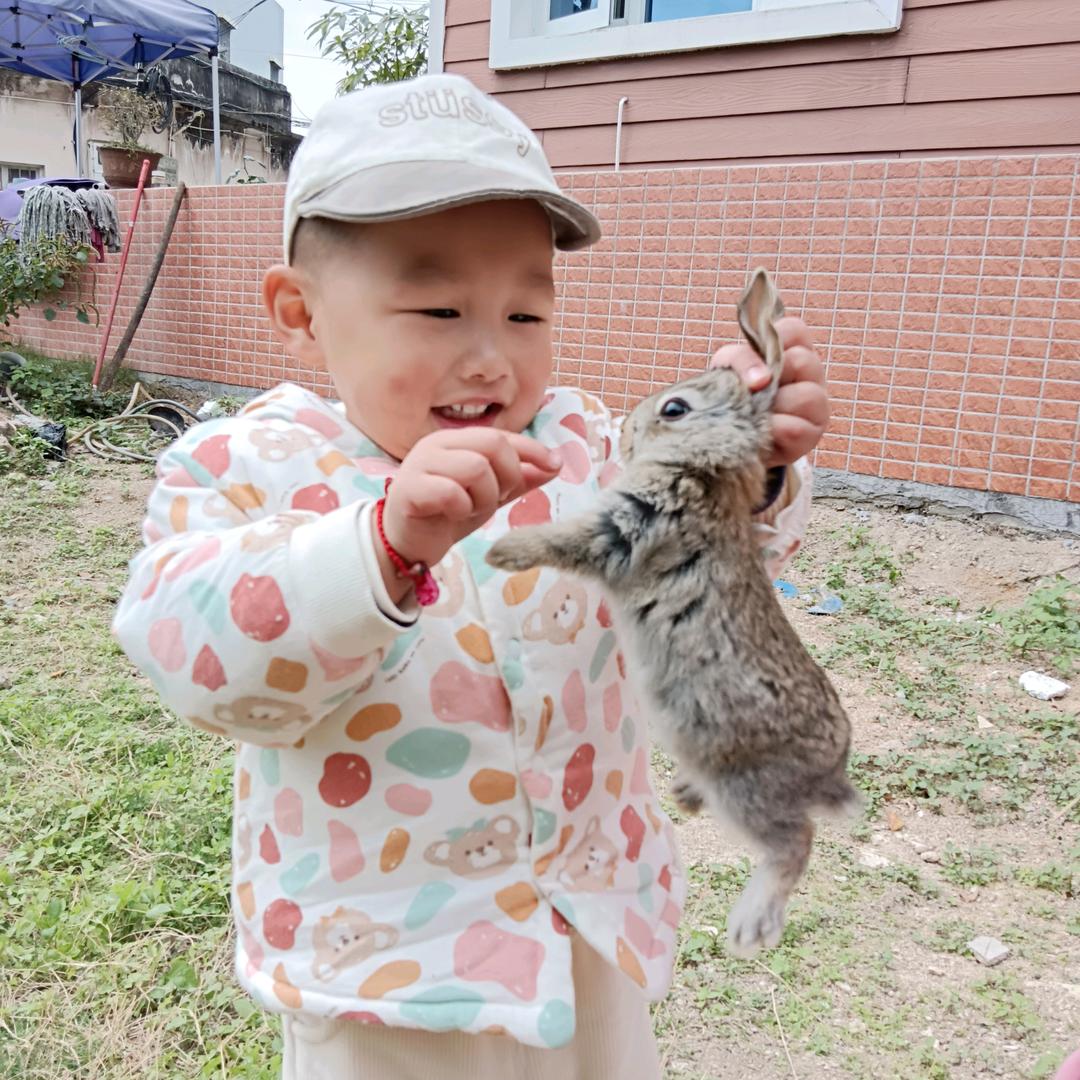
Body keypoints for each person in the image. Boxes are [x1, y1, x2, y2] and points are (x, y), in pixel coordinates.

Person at [113, 73, 830, 1079]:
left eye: (527, 315)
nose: (492, 359)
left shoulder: (580, 445)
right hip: (384, 963)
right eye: (441, 308)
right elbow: (195, 657)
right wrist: (381, 546)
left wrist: (753, 467)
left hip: (586, 923)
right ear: (299, 311)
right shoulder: (246, 466)